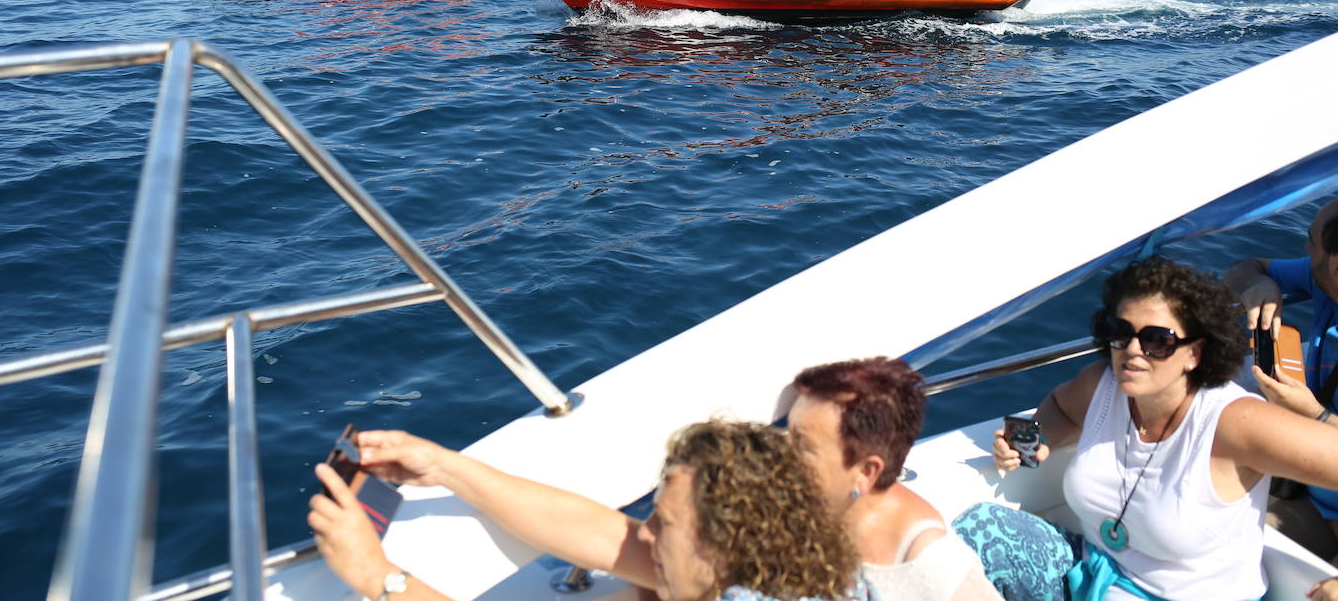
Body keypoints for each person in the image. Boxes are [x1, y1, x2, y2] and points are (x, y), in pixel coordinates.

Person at [956, 255, 1338, 601]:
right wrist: (1038, 440)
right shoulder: (1103, 385)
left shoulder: (1233, 422)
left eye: (1157, 340)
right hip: (1091, 577)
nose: (1133, 350)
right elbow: (1061, 408)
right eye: (1121, 332)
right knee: (975, 531)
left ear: (1195, 353)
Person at [309, 419, 872, 601]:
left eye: (664, 523)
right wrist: (444, 468)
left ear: (724, 546)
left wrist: (377, 577)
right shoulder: (772, 568)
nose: (643, 532)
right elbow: (606, 535)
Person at [788, 357, 1001, 600]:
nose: (782, 452)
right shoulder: (806, 508)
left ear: (866, 472)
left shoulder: (935, 568)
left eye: (802, 445)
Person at [1225, 197, 1338, 557]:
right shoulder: (1320, 280)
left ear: (1335, 264)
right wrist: (1257, 285)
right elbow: (1246, 266)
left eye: (1310, 240)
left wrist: (1313, 413)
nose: (1305, 249)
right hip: (1307, 484)